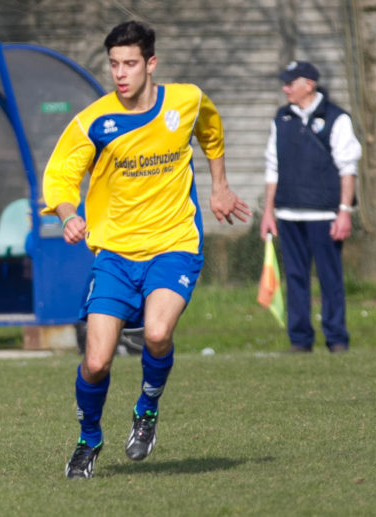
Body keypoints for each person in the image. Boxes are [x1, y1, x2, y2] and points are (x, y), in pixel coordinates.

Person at [42, 21, 251, 479]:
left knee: (157, 334)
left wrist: (220, 186)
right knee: (95, 362)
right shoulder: (93, 121)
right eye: (114, 64)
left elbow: (211, 131)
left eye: (130, 63)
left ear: (151, 63)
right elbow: (59, 175)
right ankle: (89, 440)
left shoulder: (186, 100)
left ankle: (147, 409)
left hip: (174, 243)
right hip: (115, 254)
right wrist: (66, 213)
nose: (121, 73)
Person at [259, 61, 361, 354]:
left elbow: (347, 168)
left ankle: (337, 338)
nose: (285, 88)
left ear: (309, 85)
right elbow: (272, 167)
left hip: (325, 214)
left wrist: (344, 211)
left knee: (330, 278)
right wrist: (268, 211)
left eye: (291, 83)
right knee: (295, 278)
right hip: (288, 213)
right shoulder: (282, 118)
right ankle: (300, 340)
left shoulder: (336, 118)